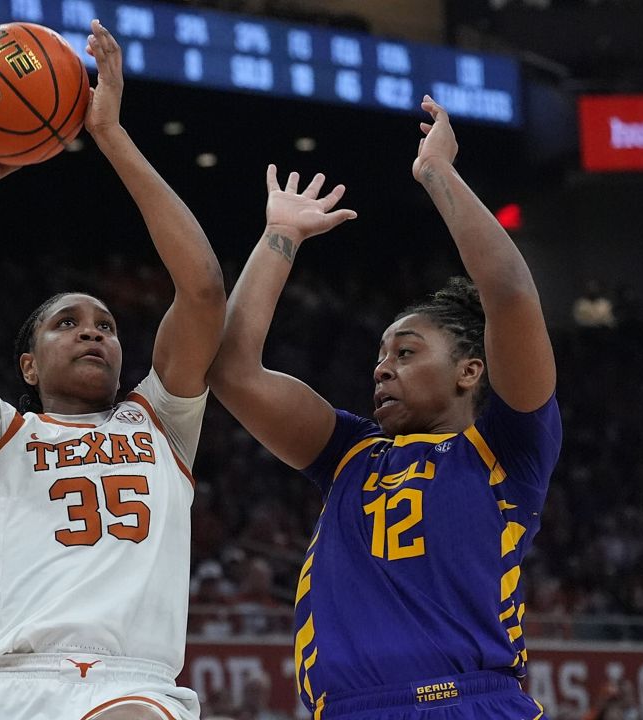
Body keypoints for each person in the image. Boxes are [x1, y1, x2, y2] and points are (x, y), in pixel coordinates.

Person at [0, 19, 223, 720]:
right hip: (10, 687)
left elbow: (201, 292)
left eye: (104, 325)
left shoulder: (162, 420)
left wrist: (111, 136)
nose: (93, 333)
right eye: (67, 324)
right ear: (28, 364)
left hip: (132, 683)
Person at [207, 96, 560, 719]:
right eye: (380, 354)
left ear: (469, 370)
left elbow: (507, 295)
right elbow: (232, 372)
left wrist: (439, 175)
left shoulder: (507, 446)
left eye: (405, 351)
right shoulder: (350, 453)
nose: (382, 367)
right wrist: (279, 237)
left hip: (467, 704)